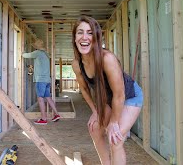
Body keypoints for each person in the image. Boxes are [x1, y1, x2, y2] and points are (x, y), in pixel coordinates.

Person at [71, 16, 143, 165]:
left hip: (129, 96)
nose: (84, 37)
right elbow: (84, 89)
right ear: (74, 37)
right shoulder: (77, 64)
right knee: (94, 129)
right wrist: (96, 111)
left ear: (96, 37)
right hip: (110, 99)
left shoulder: (107, 59)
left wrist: (114, 122)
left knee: (115, 139)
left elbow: (119, 94)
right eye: (80, 32)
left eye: (90, 33)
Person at [22, 39, 60, 125]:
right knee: (48, 98)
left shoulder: (37, 53)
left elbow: (26, 55)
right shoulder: (46, 54)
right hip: (47, 80)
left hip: (40, 80)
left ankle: (43, 119)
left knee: (40, 99)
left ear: (37, 47)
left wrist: (21, 52)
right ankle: (57, 114)